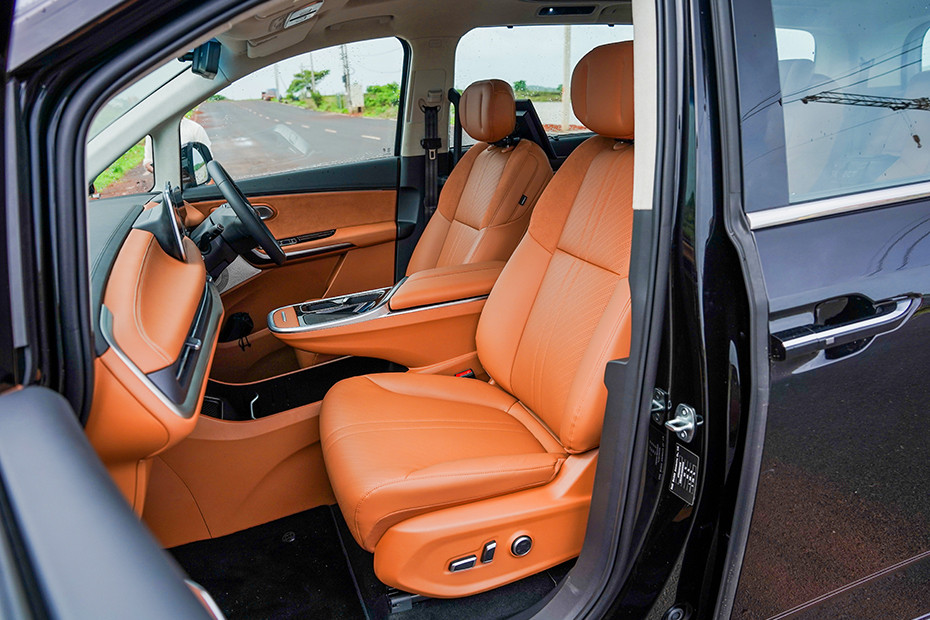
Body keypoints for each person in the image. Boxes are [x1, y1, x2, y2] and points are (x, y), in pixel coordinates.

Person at [143, 116, 212, 173]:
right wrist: (160, 172)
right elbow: (148, 161)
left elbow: (209, 161)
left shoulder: (195, 129)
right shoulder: (154, 133)